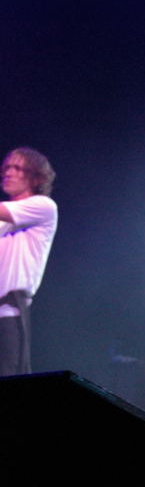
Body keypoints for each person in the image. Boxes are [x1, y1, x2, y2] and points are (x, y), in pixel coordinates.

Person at [0, 147, 58, 376]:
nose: (8, 173)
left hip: (8, 317)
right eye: (6, 168)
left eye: (17, 168)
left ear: (36, 177)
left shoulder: (44, 206)